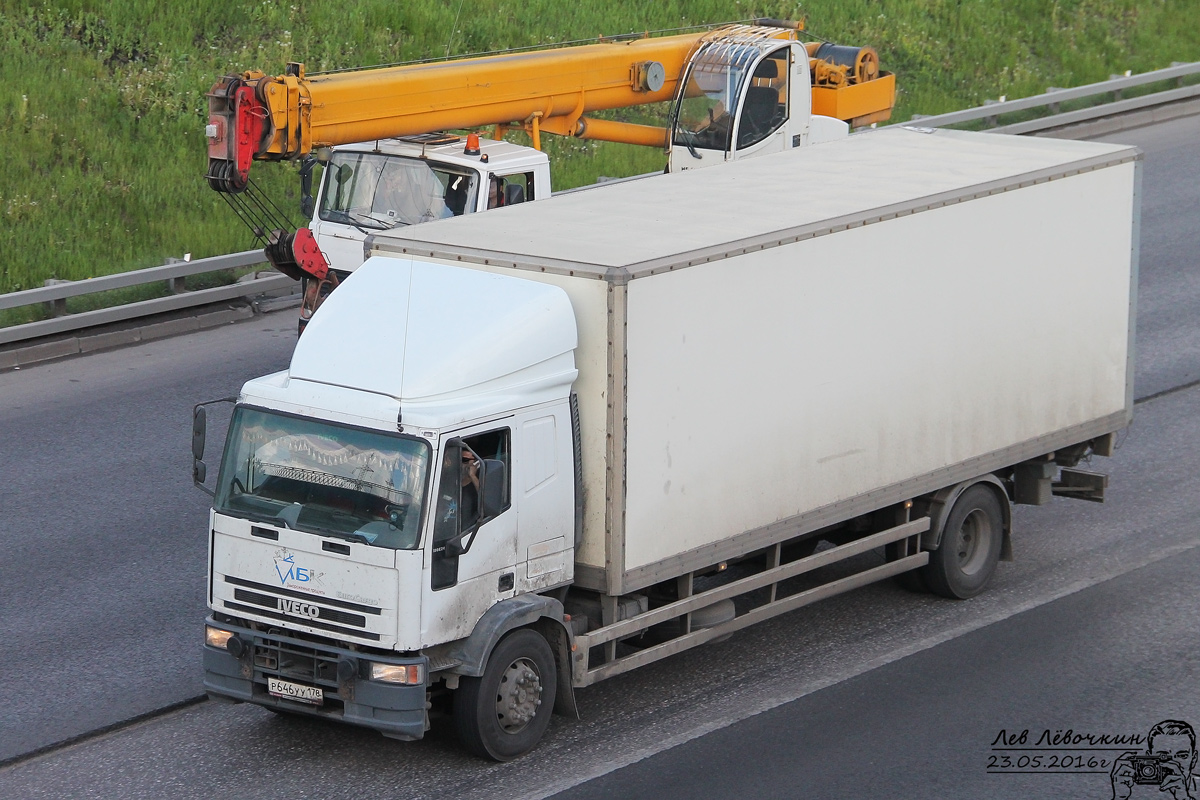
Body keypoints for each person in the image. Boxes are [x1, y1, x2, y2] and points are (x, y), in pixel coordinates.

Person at [1111, 720, 1198, 800]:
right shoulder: (1132, 788)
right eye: (1162, 756)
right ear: (1149, 757)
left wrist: (1184, 799)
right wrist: (1120, 797)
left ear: (1194, 759)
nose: (1173, 763)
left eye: (1182, 756)